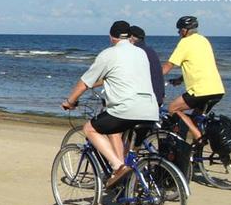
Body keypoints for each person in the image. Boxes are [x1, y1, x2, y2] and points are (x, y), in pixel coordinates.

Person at [61, 21, 159, 188]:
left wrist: (70, 102)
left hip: (125, 109)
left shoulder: (108, 54)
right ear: (130, 37)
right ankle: (126, 186)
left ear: (111, 37)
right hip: (151, 110)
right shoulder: (141, 53)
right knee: (125, 143)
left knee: (89, 129)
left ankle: (117, 166)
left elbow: (85, 82)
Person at [161, 16, 226, 142]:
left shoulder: (185, 42)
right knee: (195, 118)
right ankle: (197, 154)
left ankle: (198, 135)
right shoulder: (204, 40)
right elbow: (200, 65)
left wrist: (153, 77)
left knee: (173, 108)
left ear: (185, 30)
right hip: (217, 89)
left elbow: (168, 66)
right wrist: (180, 79)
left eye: (179, 31)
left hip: (200, 91)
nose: (179, 34)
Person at [129, 26, 165, 106]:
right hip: (157, 97)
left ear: (131, 37)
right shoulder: (150, 51)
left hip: (146, 99)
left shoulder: (136, 52)